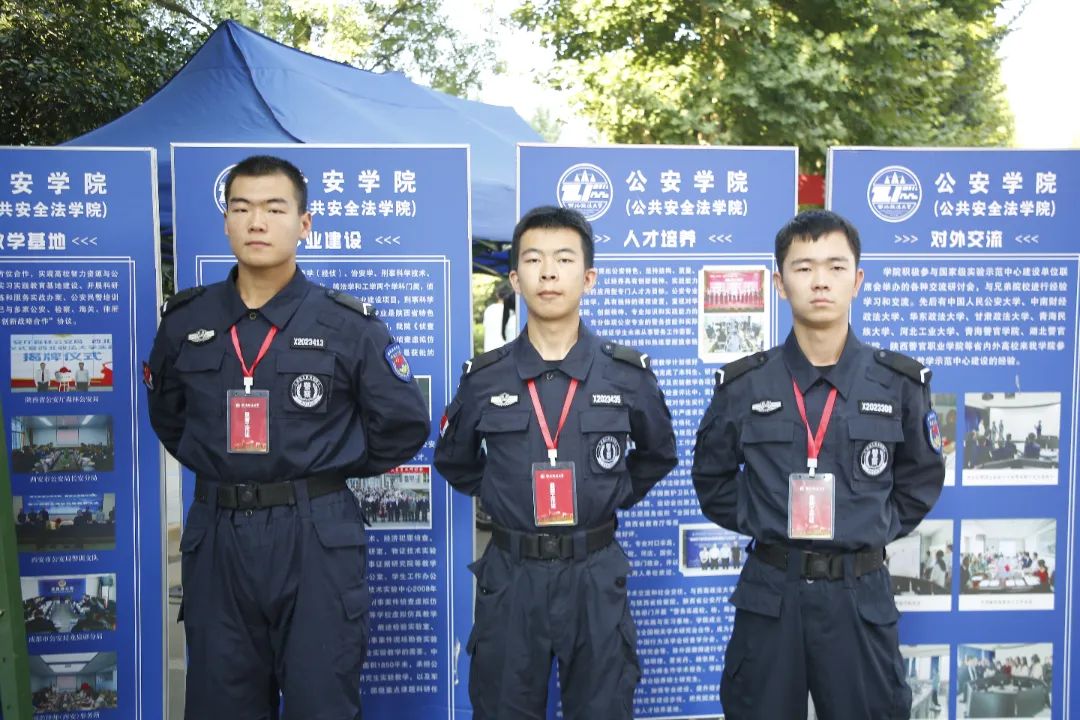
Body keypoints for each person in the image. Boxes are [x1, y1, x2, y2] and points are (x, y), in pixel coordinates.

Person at [145, 155, 429, 719]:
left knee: (321, 701)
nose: (257, 222)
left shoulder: (346, 324)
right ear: (226, 222)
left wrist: (326, 467)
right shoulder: (185, 321)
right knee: (220, 703)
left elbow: (403, 424)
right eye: (242, 208)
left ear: (303, 224)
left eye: (275, 209)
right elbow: (170, 418)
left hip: (315, 534)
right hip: (217, 532)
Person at [692, 210, 945, 719]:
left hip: (859, 594)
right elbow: (712, 478)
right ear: (780, 284)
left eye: (835, 266)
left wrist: (869, 525)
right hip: (771, 591)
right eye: (804, 268)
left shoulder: (897, 384)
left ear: (858, 279)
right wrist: (765, 518)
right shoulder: (745, 385)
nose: (821, 281)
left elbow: (920, 480)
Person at [434, 205, 678, 720]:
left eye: (564, 259)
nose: (548, 272)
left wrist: (611, 494)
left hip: (594, 572)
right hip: (511, 573)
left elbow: (658, 453)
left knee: (603, 708)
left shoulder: (625, 374)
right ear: (514, 279)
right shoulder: (485, 377)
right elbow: (455, 460)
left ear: (588, 278)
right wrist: (501, 494)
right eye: (533, 260)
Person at [482, 280, 519, 351]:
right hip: (505, 352)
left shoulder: (489, 310)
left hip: (489, 351)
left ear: (497, 295)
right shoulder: (512, 312)